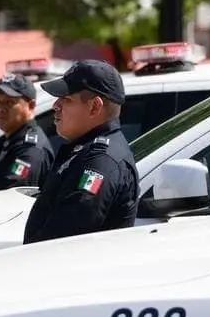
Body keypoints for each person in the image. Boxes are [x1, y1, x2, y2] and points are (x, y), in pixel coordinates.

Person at [23, 60, 138, 244]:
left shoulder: (101, 162)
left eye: (66, 99)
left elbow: (63, 239)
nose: (56, 105)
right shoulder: (87, 151)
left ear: (94, 106)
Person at [0, 73, 53, 193]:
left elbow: (10, 201)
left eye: (9, 102)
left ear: (31, 105)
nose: (1, 108)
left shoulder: (29, 151)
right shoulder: (10, 141)